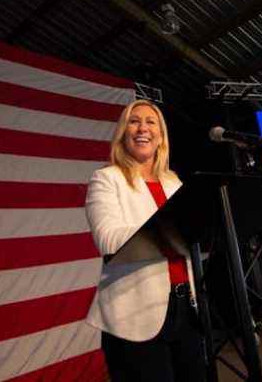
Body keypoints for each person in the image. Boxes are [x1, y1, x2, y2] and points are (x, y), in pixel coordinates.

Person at [85, 99, 206, 381]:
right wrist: (169, 232)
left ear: (161, 136)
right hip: (134, 315)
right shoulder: (106, 179)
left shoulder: (174, 183)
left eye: (151, 122)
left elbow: (192, 243)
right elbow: (108, 240)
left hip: (185, 308)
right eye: (134, 121)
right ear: (123, 133)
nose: (143, 128)